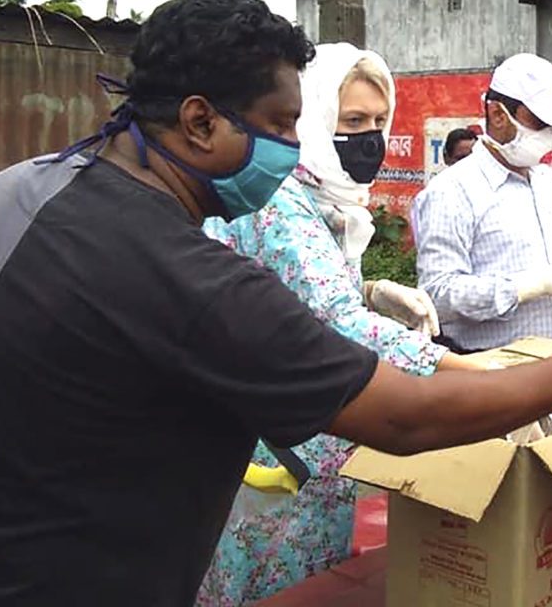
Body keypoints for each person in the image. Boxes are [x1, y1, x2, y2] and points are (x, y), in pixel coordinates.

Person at [0, 0, 552, 607]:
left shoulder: (20, 186)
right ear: (199, 122)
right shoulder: (179, 271)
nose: (299, 147)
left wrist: (375, 295)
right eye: (284, 124)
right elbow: (399, 416)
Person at [196, 44, 484, 606]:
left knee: (316, 581)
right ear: (313, 118)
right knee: (270, 590)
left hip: (312, 441)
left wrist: (374, 291)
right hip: (269, 449)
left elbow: (303, 292)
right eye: (352, 122)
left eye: (379, 122)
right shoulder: (279, 201)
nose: (370, 137)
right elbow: (335, 321)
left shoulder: (325, 198)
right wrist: (469, 373)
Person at [414, 53, 552, 350]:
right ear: (498, 115)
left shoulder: (543, 180)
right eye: (540, 123)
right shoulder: (452, 191)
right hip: (493, 375)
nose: (551, 136)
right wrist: (527, 286)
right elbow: (438, 295)